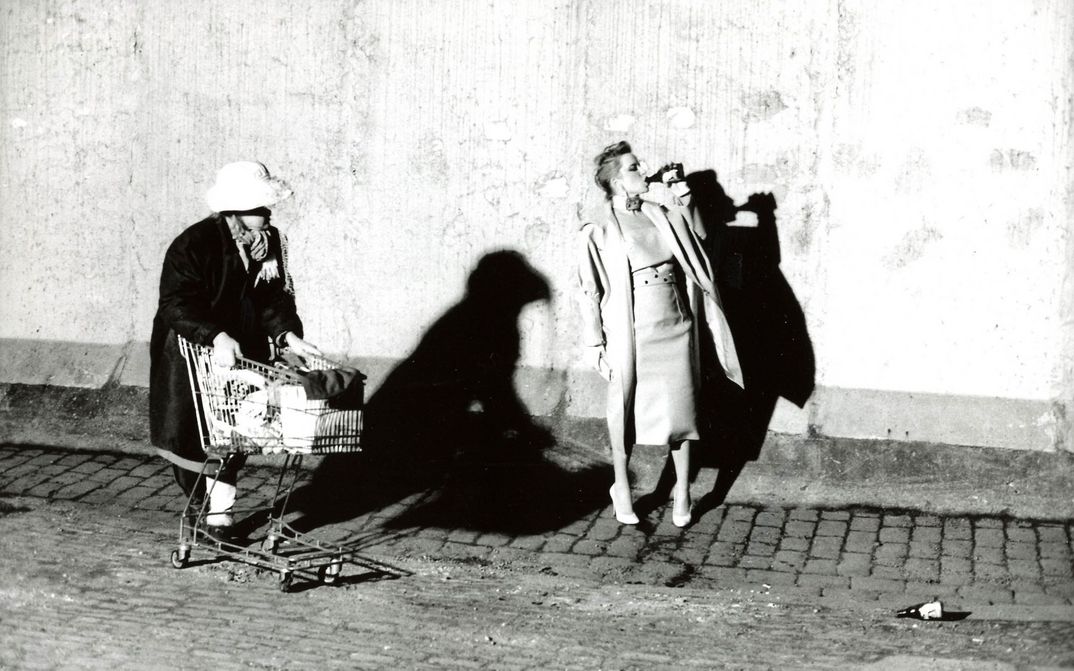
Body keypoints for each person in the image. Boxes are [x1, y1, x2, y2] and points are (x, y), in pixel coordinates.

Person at [575, 141, 744, 527]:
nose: (644, 169)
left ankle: (682, 491)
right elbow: (589, 290)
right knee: (626, 409)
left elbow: (699, 243)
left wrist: (681, 191)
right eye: (635, 167)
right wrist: (595, 342)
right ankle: (621, 485)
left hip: (676, 325)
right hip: (632, 331)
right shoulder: (602, 228)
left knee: (682, 410)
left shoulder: (659, 213)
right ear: (617, 180)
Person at [149, 161, 322, 537]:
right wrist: (215, 335)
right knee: (195, 434)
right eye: (260, 208)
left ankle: (219, 515)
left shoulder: (268, 244)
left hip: (244, 353)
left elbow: (274, 300)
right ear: (236, 210)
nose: (268, 213)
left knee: (236, 430)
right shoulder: (193, 244)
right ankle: (205, 508)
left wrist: (288, 336)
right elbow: (176, 303)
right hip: (192, 351)